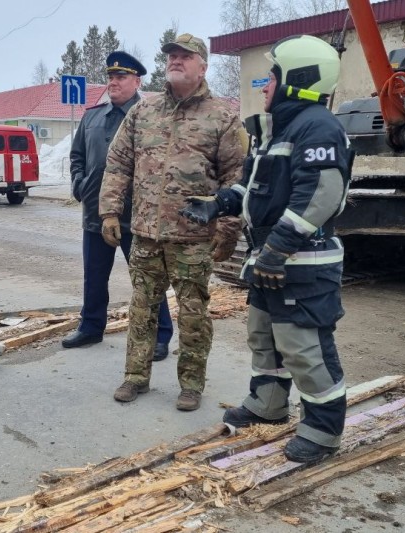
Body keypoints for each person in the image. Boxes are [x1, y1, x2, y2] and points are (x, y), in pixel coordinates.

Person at [180, 35, 351, 463]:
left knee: (304, 347)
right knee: (265, 338)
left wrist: (277, 248)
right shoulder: (281, 128)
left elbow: (321, 195)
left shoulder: (318, 127)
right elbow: (256, 185)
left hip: (301, 260)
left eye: (270, 76)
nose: (264, 85)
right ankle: (269, 406)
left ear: (298, 78)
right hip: (271, 259)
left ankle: (322, 432)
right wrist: (218, 202)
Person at [100, 33, 245, 410]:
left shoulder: (223, 116)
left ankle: (192, 383)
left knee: (194, 314)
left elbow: (237, 179)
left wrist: (228, 229)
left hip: (193, 237)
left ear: (203, 67)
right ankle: (135, 376)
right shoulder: (143, 112)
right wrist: (110, 211)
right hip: (146, 233)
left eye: (186, 56)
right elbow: (118, 163)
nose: (176, 60)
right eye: (172, 55)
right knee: (141, 309)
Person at [63, 51, 173, 360]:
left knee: (148, 278)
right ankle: (91, 327)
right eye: (111, 77)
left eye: (121, 77)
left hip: (136, 216)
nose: (114, 82)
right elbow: (77, 157)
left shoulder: (151, 115)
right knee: (94, 275)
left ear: (137, 81)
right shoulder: (92, 116)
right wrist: (79, 183)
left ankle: (160, 335)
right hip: (96, 214)